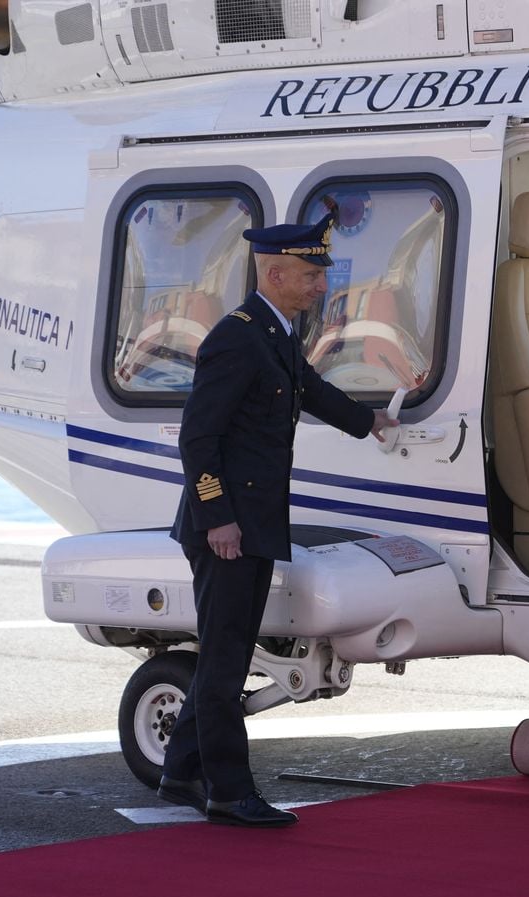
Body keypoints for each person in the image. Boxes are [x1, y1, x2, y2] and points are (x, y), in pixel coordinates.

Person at [158, 208, 396, 827]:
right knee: (226, 657)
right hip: (228, 528)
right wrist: (217, 518)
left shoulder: (275, 330)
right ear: (276, 272)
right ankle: (229, 791)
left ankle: (182, 768)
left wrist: (368, 422)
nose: (322, 284)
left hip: (254, 520)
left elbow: (307, 386)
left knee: (228, 651)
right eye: (312, 275)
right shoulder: (237, 336)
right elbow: (198, 439)